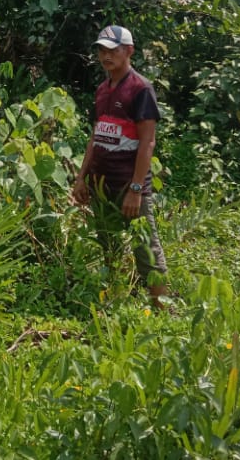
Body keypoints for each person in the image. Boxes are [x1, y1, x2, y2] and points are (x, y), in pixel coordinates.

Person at [72, 24, 169, 307]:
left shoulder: (141, 89)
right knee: (109, 246)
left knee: (146, 250)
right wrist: (82, 178)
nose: (106, 56)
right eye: (102, 50)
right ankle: (116, 301)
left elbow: (147, 142)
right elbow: (96, 135)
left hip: (130, 184)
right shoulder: (102, 90)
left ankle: (162, 312)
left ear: (129, 51)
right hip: (101, 185)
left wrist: (136, 189)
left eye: (112, 50)